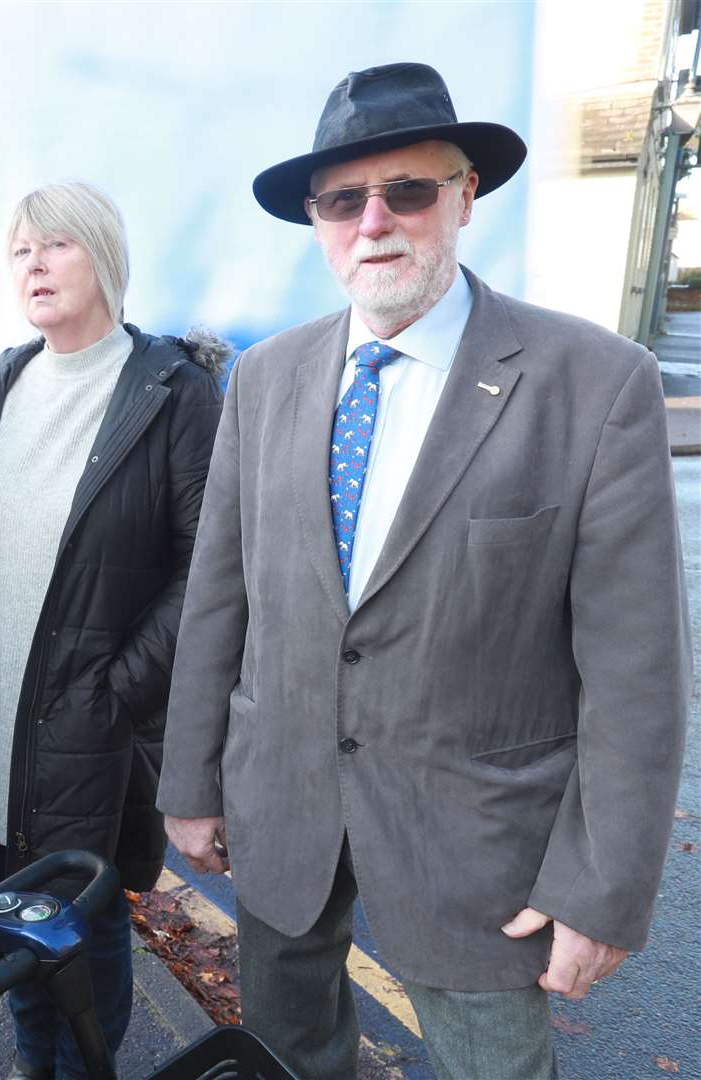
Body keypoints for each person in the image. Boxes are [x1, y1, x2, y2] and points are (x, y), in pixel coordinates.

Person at [158, 62, 690, 1080]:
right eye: (341, 200)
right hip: (283, 818)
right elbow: (217, 601)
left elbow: (633, 671)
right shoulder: (263, 379)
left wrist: (600, 885)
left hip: (480, 854)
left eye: (406, 190)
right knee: (287, 1055)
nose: (373, 222)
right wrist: (188, 782)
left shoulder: (592, 384)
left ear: (463, 196)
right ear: (315, 220)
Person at [0, 181, 224, 1080]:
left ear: (103, 255)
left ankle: (78, 1070)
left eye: (57, 245)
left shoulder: (171, 391)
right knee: (8, 923)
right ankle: (36, 1067)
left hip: (87, 728)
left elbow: (208, 562)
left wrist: (118, 689)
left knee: (85, 931)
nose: (34, 264)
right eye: (19, 250)